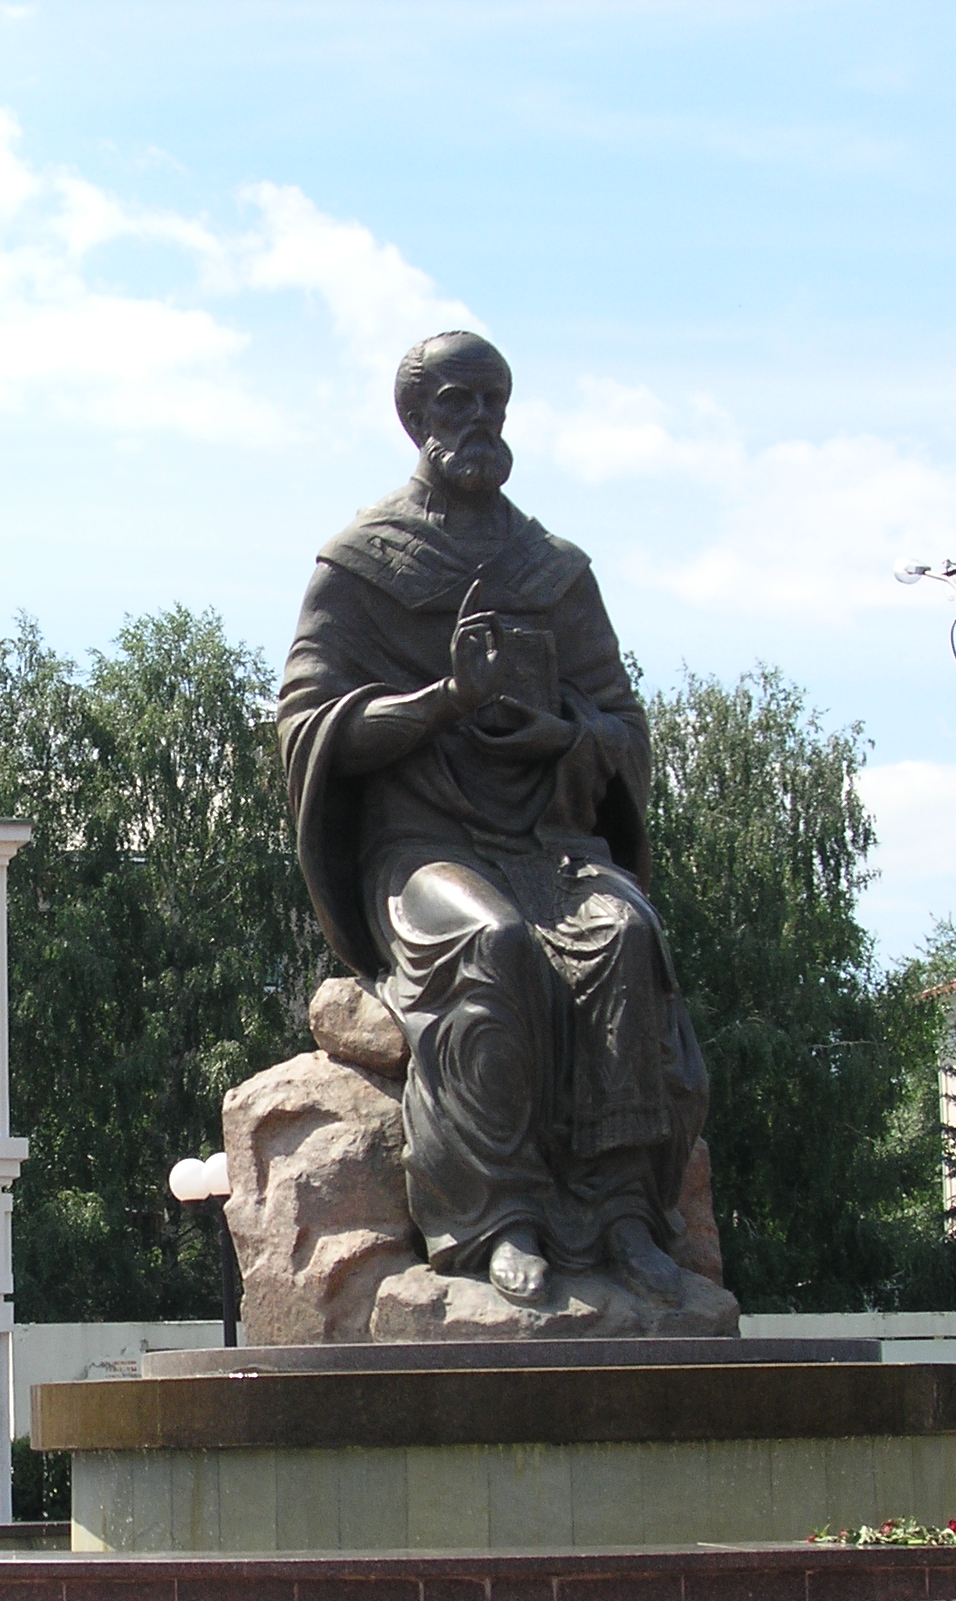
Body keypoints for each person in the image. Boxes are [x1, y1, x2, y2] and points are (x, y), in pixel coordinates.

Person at [280, 329, 714, 1312]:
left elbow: (624, 724)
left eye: (491, 403)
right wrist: (438, 701)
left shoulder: (553, 569)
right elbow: (310, 725)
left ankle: (621, 1220)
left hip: (553, 842)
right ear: (417, 420)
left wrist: (560, 731)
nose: (477, 421)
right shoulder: (361, 563)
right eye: (455, 404)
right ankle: (495, 1219)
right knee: (493, 946)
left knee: (624, 938)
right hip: (424, 845)